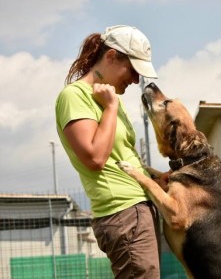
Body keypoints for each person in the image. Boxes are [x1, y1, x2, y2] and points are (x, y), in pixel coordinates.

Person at [55, 25, 161, 279]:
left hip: (138, 209)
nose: (136, 80)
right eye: (133, 70)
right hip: (122, 213)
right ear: (112, 56)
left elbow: (123, 156)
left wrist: (157, 178)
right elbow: (95, 158)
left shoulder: (112, 99)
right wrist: (111, 107)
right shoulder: (75, 96)